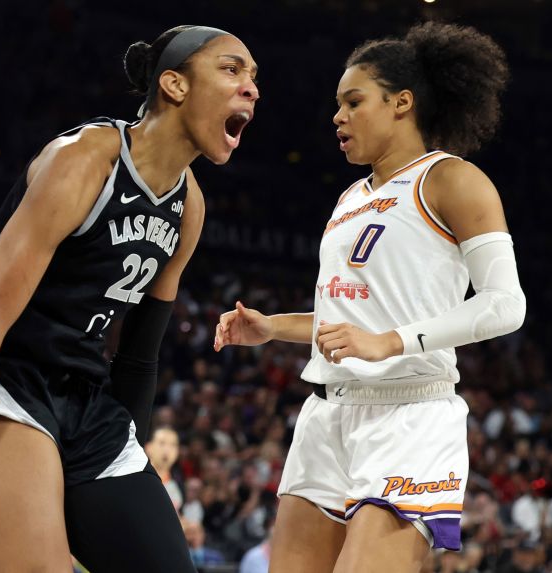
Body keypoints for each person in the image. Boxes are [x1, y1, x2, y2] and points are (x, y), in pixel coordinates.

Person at [0, 24, 259, 573]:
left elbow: (138, 353)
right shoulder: (84, 160)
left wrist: (121, 465)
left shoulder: (190, 208)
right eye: (232, 69)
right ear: (174, 85)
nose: (251, 87)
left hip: (90, 404)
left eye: (254, 77)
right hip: (10, 387)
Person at [215, 21, 523, 573]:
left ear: (401, 102)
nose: (338, 116)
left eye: (353, 101)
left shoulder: (450, 179)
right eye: (338, 104)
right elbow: (352, 322)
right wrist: (273, 328)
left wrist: (389, 342)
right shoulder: (350, 198)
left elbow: (505, 305)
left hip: (410, 413)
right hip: (326, 415)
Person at [146, 426, 183, 510]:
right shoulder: (138, 479)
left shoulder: (179, 484)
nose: (167, 449)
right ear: (148, 447)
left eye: (173, 445)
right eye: (162, 443)